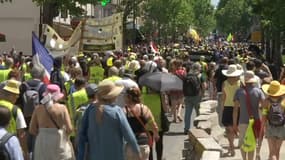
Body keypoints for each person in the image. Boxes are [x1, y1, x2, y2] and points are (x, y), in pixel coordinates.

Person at [77, 80, 141, 160]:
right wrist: (137, 151)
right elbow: (129, 135)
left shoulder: (90, 110)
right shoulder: (117, 111)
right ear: (112, 96)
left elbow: (81, 135)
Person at [29, 84, 74, 160]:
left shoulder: (38, 109)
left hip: (42, 141)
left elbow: (32, 130)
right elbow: (69, 129)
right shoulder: (62, 108)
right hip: (58, 139)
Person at [233, 71, 266, 160]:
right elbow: (264, 107)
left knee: (242, 142)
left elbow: (235, 109)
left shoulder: (239, 91)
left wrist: (234, 124)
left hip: (242, 121)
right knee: (252, 142)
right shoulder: (258, 91)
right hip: (255, 121)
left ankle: (244, 159)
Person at [124, 87, 159, 160]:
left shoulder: (125, 110)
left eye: (125, 96)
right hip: (143, 143)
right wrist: (156, 135)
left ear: (129, 97)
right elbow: (154, 126)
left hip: (130, 144)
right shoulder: (144, 109)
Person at [221, 64, 243, 156]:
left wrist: (222, 108)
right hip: (238, 107)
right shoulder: (240, 83)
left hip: (227, 107)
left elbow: (223, 97)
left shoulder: (224, 83)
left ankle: (231, 146)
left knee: (228, 129)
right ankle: (232, 146)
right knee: (235, 127)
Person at [261, 81, 285, 160]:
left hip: (270, 127)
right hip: (281, 128)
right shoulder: (283, 101)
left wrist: (262, 129)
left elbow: (264, 117)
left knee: (272, 152)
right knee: (277, 151)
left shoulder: (266, 101)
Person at [183, 62, 207, 134]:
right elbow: (204, 86)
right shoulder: (200, 76)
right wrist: (202, 94)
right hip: (197, 96)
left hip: (187, 96)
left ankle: (186, 129)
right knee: (198, 113)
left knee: (187, 113)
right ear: (199, 68)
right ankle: (198, 127)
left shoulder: (187, 75)